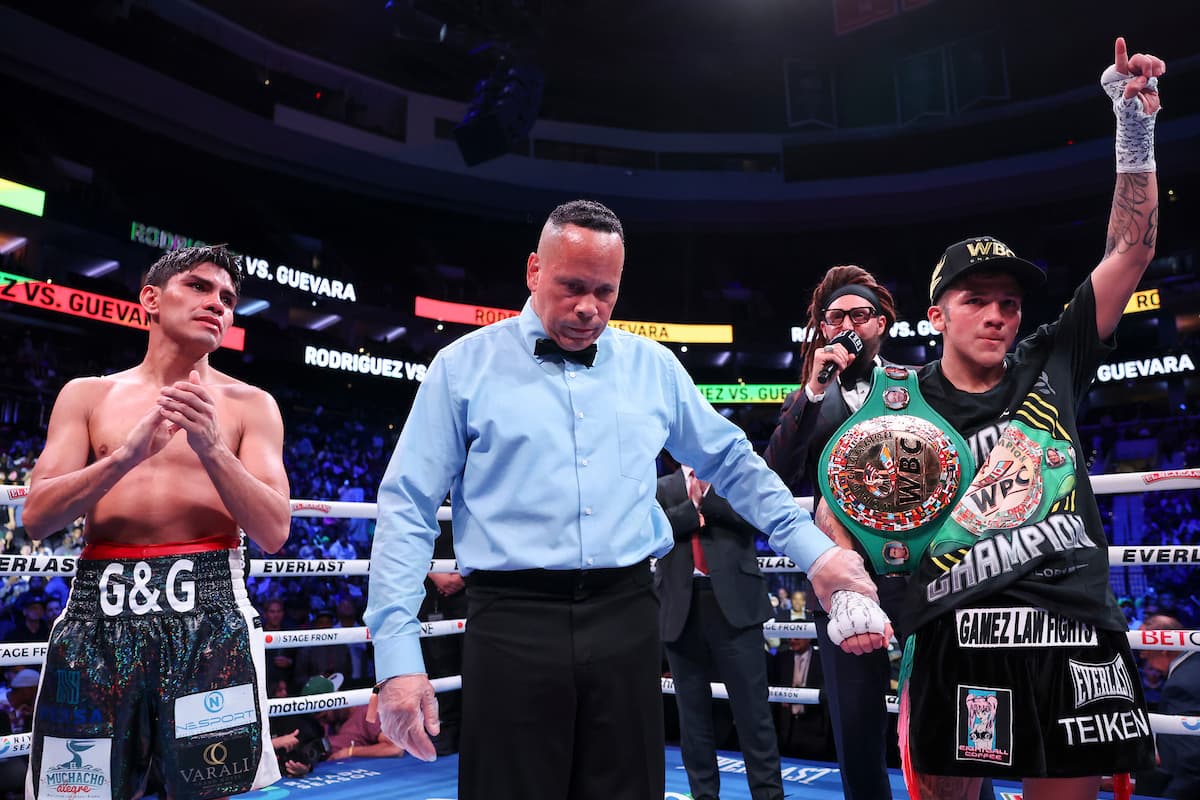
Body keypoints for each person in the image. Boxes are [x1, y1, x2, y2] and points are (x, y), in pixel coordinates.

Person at [364, 199, 891, 800]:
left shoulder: (652, 367)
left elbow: (734, 463)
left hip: (627, 617)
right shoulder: (462, 368)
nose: (588, 308)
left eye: (605, 292)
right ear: (534, 270)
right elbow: (407, 505)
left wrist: (817, 555)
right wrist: (399, 657)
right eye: (571, 286)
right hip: (511, 622)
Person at [896, 38, 1165, 800]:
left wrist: (1133, 128)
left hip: (1071, 628)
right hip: (956, 624)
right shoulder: (903, 403)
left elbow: (1131, 249)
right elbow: (851, 512)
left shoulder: (1054, 358)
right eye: (975, 299)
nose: (996, 314)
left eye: (1009, 302)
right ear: (937, 313)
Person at [21, 244, 291, 800]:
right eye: (198, 287)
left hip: (210, 613)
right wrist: (125, 457)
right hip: (99, 612)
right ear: (151, 297)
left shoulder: (251, 405)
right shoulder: (88, 395)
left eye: (228, 298)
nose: (217, 303)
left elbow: (273, 531)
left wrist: (213, 448)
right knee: (74, 791)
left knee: (220, 789)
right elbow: (37, 517)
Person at [764, 264, 912, 800]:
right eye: (835, 317)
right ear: (824, 328)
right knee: (855, 722)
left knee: (940, 709)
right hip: (845, 576)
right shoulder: (810, 394)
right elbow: (774, 473)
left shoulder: (915, 383)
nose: (846, 324)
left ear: (881, 323)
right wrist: (810, 388)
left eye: (858, 314)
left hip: (919, 566)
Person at [654, 462, 782, 800]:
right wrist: (693, 509)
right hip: (681, 608)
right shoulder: (662, 486)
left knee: (753, 713)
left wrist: (707, 498)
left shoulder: (735, 478)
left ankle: (769, 795)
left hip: (736, 607)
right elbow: (654, 529)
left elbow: (752, 518)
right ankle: (703, 796)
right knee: (692, 718)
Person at [1137, 613, 1200, 799]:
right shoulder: (1194, 665)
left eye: (1145, 653)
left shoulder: (1181, 685)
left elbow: (1192, 764)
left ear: (1165, 648)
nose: (1144, 660)